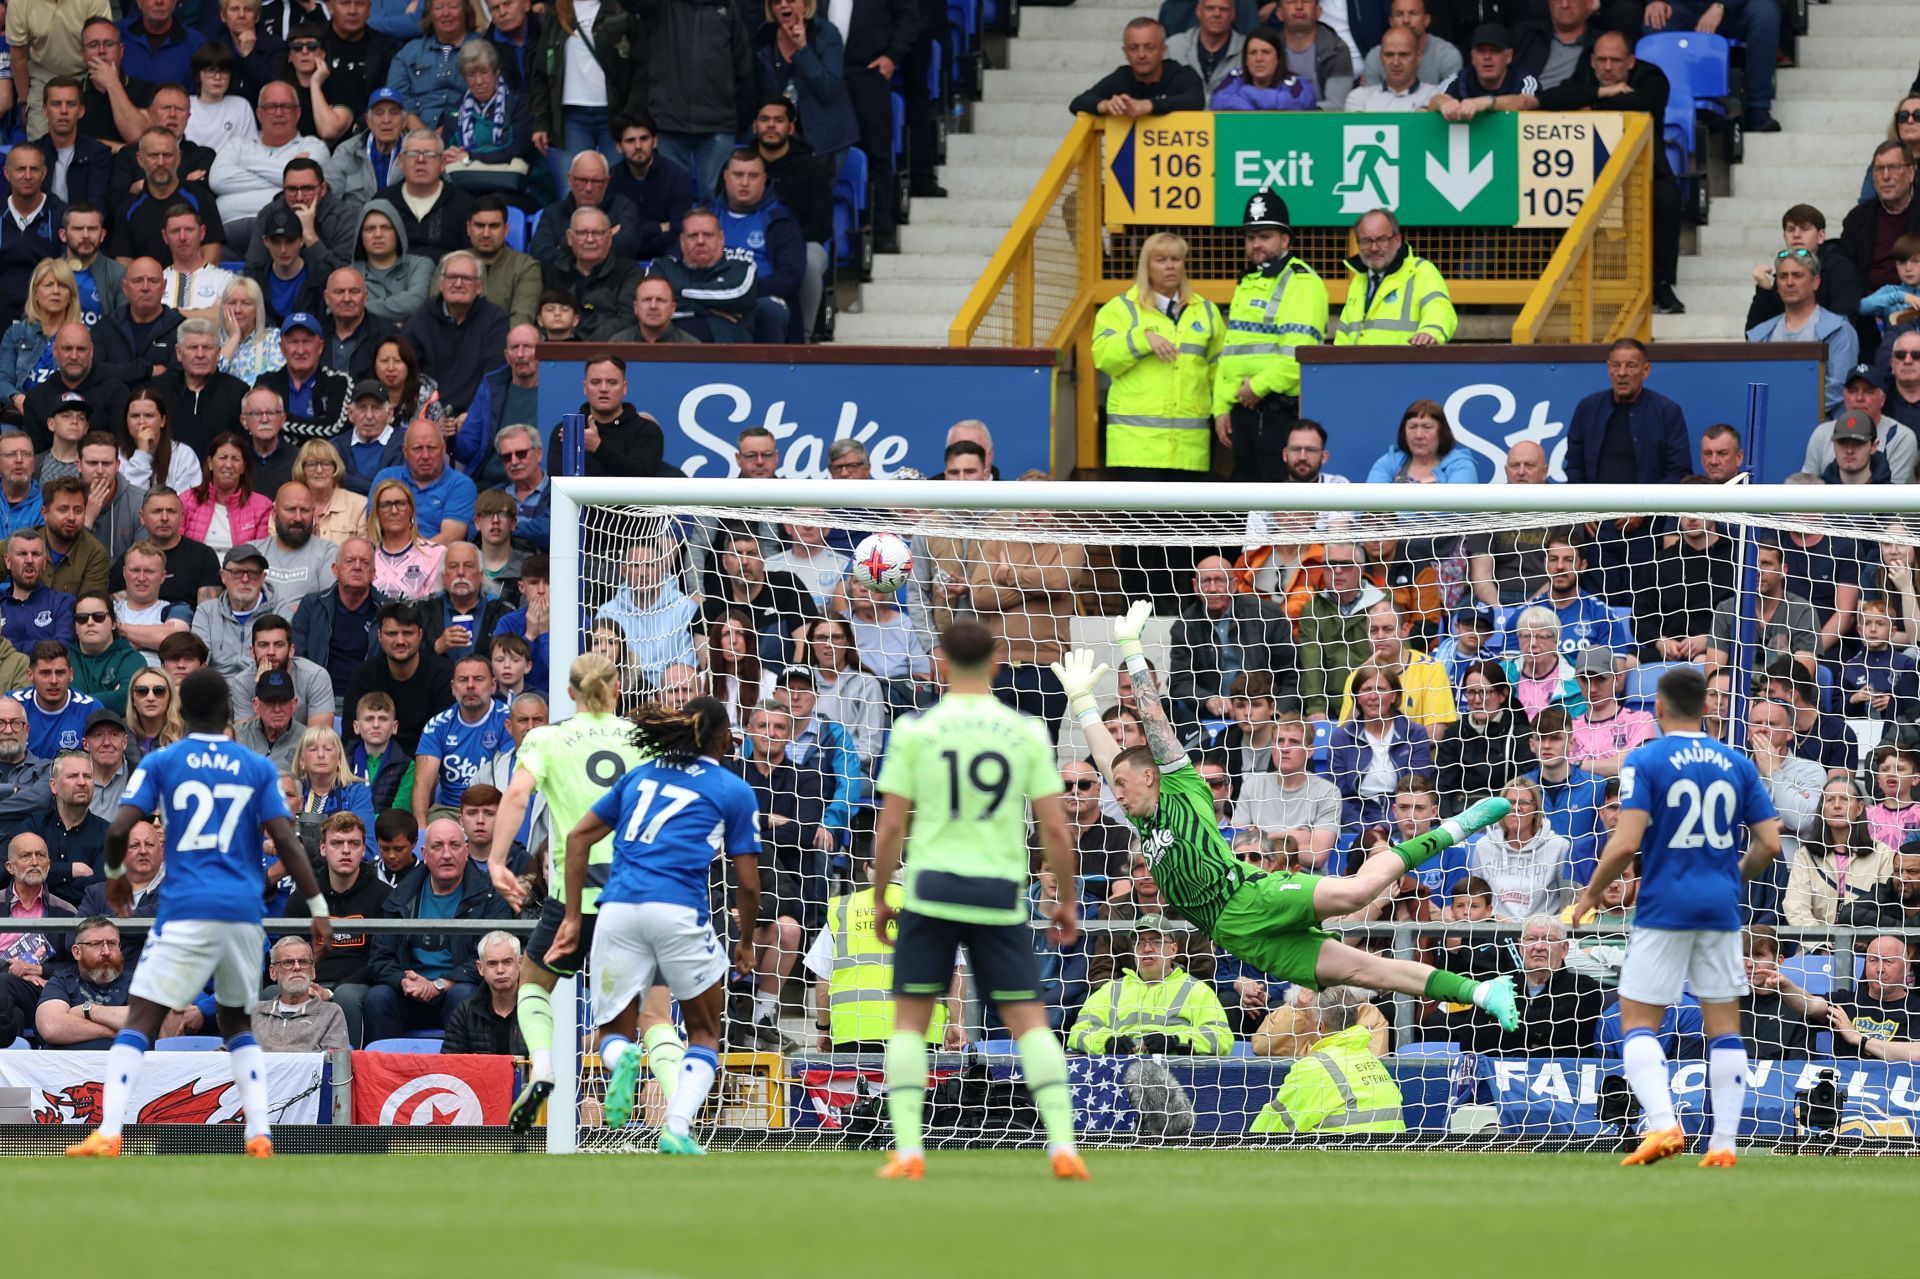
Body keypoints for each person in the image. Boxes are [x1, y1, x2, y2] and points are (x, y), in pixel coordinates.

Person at [1064, 601, 1519, 1047]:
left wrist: (1131, 648)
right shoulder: (1142, 818)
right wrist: (1082, 700)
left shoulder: (1180, 786)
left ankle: (1459, 825)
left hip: (1250, 897)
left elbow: (1155, 719)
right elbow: (1110, 760)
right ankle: (1481, 992)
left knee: (1354, 892)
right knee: (1364, 970)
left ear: (1150, 776)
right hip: (1238, 936)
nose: (1114, 792)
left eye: (1122, 783)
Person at [63, 668, 326, 1158]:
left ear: (180, 713)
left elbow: (120, 828)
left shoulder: (163, 760)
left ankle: (110, 1131)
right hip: (243, 912)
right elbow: (288, 840)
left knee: (141, 1018)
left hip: (185, 909)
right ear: (230, 713)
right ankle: (260, 1133)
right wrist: (317, 906)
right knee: (237, 1023)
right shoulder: (256, 766)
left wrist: (118, 875)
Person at [861, 618, 1085, 1181]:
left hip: (932, 886)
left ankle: (909, 1149)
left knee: (911, 1022)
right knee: (1029, 1020)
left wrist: (883, 894)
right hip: (998, 891)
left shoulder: (915, 729)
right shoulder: (1027, 731)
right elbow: (1054, 828)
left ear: (940, 663)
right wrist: (1065, 898)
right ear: (995, 665)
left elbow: (890, 826)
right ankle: (1062, 1144)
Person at [1571, 665, 1782, 1167]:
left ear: (1659, 709)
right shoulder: (1737, 762)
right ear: (1707, 706)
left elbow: (1625, 843)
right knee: (1724, 1024)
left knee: (1638, 1018)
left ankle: (1665, 1124)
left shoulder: (1646, 759)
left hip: (1664, 903)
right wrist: (1733, 877)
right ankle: (1724, 1145)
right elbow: (1770, 843)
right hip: (1720, 905)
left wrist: (1591, 895)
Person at [542, 695, 758, 1156]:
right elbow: (749, 885)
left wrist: (574, 916)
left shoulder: (639, 776)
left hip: (617, 909)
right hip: (678, 910)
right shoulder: (732, 788)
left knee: (612, 1032)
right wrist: (744, 943)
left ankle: (622, 1059)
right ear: (722, 739)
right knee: (703, 1030)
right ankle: (677, 1127)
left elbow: (578, 836)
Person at [486, 654, 658, 1127]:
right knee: (644, 1007)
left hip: (574, 896)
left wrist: (497, 860)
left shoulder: (546, 737)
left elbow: (517, 795)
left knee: (533, 986)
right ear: (617, 687)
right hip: (636, 890)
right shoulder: (642, 737)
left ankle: (542, 1066)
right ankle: (656, 1097)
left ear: (568, 693)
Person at [1092, 231, 1226, 482]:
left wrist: (1222, 412)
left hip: (1190, 450)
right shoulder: (1119, 310)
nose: (1170, 266)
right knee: (1141, 523)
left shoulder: (1206, 312)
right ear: (1147, 266)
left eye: (1176, 259)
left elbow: (1220, 372)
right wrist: (1142, 339)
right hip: (1136, 451)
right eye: (1161, 260)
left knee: (1188, 523)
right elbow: (1104, 359)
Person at [1213, 189, 1325, 484]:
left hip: (1278, 414)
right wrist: (1222, 407)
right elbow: (1231, 355)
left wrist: (1257, 388)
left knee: (1279, 505)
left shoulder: (1301, 282)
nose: (1256, 244)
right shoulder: (1248, 282)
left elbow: (1298, 355)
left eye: (1265, 236)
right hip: (1244, 412)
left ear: (1285, 239)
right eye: (1250, 238)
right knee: (1246, 505)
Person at [1249, 983, 1404, 1132]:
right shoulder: (1373, 1062)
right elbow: (1262, 1044)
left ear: (1319, 1027)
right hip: (1393, 1153)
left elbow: (1270, 1129)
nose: (1305, 1023)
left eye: (1307, 1018)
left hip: (1342, 1155)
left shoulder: (1313, 1068)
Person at [1068, 913, 1232, 1054]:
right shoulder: (1111, 989)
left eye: (1156, 942)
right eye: (1140, 942)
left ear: (1173, 950)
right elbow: (1078, 1032)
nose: (1147, 949)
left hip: (1178, 1077)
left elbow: (1222, 1037)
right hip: (1119, 1077)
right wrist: (1107, 1043)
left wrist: (1176, 1042)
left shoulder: (1197, 990)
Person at [1748, 247, 1857, 415]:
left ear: (1816, 282)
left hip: (1823, 431)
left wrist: (1786, 408)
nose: (1789, 282)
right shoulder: (1761, 335)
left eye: (1797, 275)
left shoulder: (1838, 330)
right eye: (1783, 276)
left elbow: (1839, 388)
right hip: (1772, 425)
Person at [1335, 211, 1455, 348]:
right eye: (1366, 241)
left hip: (1403, 367)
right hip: (1359, 368)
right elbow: (1343, 335)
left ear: (1397, 240)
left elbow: (1439, 307)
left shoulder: (1420, 271)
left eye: (1381, 240)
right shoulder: (1359, 280)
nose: (1373, 248)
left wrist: (1430, 331)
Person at [1068, 17, 1207, 117]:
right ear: (1125, 52)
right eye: (1134, 48)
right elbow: (1077, 103)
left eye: (1149, 47)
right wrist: (1106, 105)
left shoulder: (1182, 74)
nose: (1141, 55)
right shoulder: (1122, 77)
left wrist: (1149, 105)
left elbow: (1195, 100)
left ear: (1163, 50)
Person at [250, 935, 350, 1051]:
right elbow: (228, 1056)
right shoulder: (255, 1013)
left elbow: (336, 1063)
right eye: (288, 962)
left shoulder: (331, 1013)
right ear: (273, 972)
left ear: (313, 971)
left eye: (303, 962)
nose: (297, 967)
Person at [1429, 22, 1536, 119]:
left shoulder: (1524, 80)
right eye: (1481, 51)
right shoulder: (1460, 78)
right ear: (1472, 57)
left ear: (1508, 56)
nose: (1487, 57)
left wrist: (1488, 102)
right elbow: (1433, 100)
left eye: (1495, 51)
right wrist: (1445, 103)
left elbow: (1525, 101)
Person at [1210, 26, 1317, 109]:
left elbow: (1300, 102)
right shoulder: (1236, 77)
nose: (1259, 58)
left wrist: (1247, 93)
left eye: (1266, 52)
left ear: (1278, 58)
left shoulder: (1295, 82)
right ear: (1246, 60)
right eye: (1253, 53)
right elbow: (1217, 100)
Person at [1166, 0, 1244, 97]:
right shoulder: (1174, 47)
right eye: (1210, 8)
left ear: (1233, 14)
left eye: (1224, 9)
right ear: (1198, 11)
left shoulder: (1248, 49)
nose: (1217, 14)